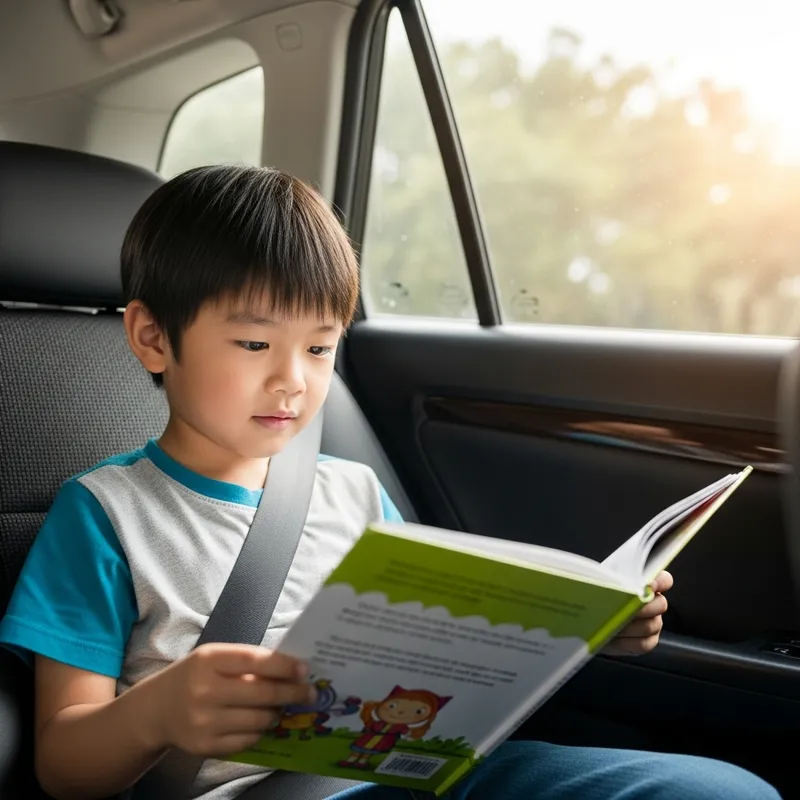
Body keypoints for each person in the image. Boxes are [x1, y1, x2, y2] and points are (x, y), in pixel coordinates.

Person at [0, 165, 780, 800]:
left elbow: (438, 652)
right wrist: (158, 714)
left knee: (722, 792)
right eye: (252, 342)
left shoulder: (349, 489)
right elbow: (63, 766)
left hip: (419, 773)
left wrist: (586, 629)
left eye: (318, 348)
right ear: (151, 337)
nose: (292, 382)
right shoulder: (106, 517)